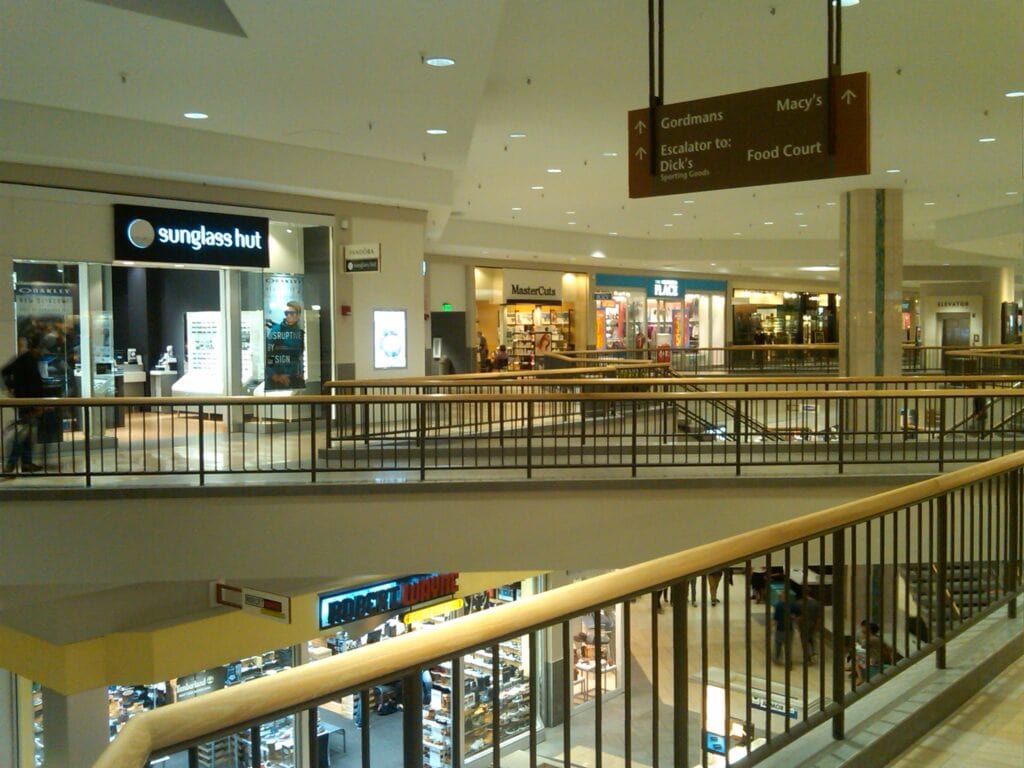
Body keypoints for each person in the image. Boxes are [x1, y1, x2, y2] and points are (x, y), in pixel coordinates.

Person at [2, 331, 46, 476]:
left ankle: (26, 463)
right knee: (23, 435)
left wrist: (11, 389)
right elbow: (35, 386)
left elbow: (4, 372)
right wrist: (38, 405)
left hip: (25, 401)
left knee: (27, 433)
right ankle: (11, 465)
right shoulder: (28, 361)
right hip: (29, 403)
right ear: (36, 348)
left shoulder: (22, 359)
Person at [266, 301, 305, 389]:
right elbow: (269, 355)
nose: (288, 316)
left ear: (298, 315)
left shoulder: (300, 333)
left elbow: (300, 355)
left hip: (295, 378)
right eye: (286, 313)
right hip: (278, 380)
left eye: (291, 313)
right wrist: (274, 376)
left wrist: (301, 371)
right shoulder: (276, 331)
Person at [797, 595, 822, 663]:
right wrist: (817, 626)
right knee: (811, 640)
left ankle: (807, 657)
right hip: (813, 624)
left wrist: (799, 626)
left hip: (804, 625)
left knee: (804, 642)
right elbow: (819, 617)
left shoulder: (799, 603)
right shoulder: (816, 603)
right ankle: (813, 653)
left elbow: (798, 617)